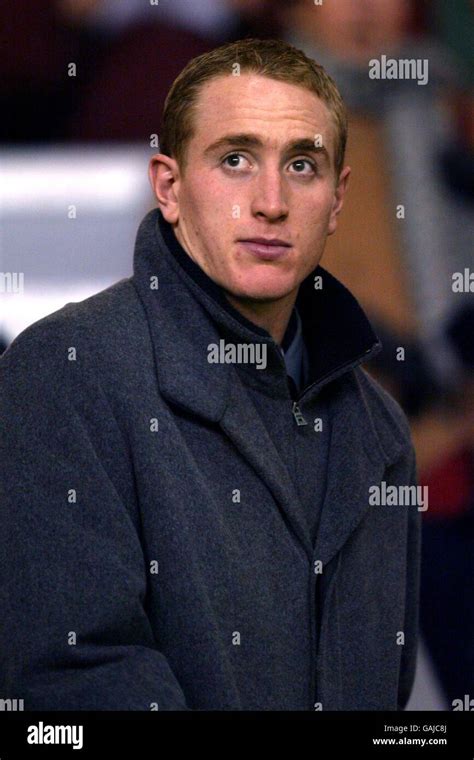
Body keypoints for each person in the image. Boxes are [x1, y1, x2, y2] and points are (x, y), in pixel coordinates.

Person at [0, 38, 421, 711]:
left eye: (303, 165)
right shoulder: (65, 374)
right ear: (168, 186)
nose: (272, 202)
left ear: (338, 199)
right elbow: (70, 679)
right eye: (235, 160)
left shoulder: (381, 432)